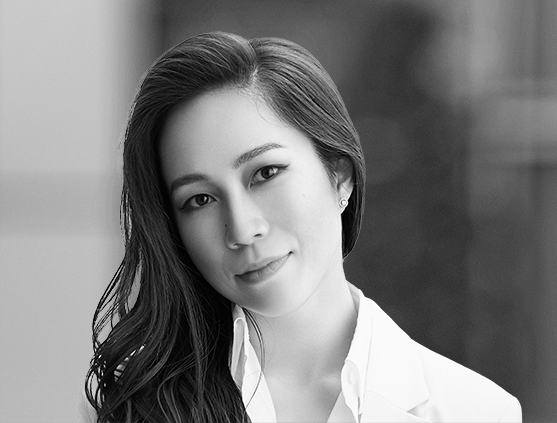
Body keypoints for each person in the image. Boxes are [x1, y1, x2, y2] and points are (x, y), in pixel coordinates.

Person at [77, 32, 521, 423]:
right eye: (200, 200)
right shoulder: (134, 404)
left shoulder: (474, 412)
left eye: (265, 173)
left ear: (340, 176)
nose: (242, 229)